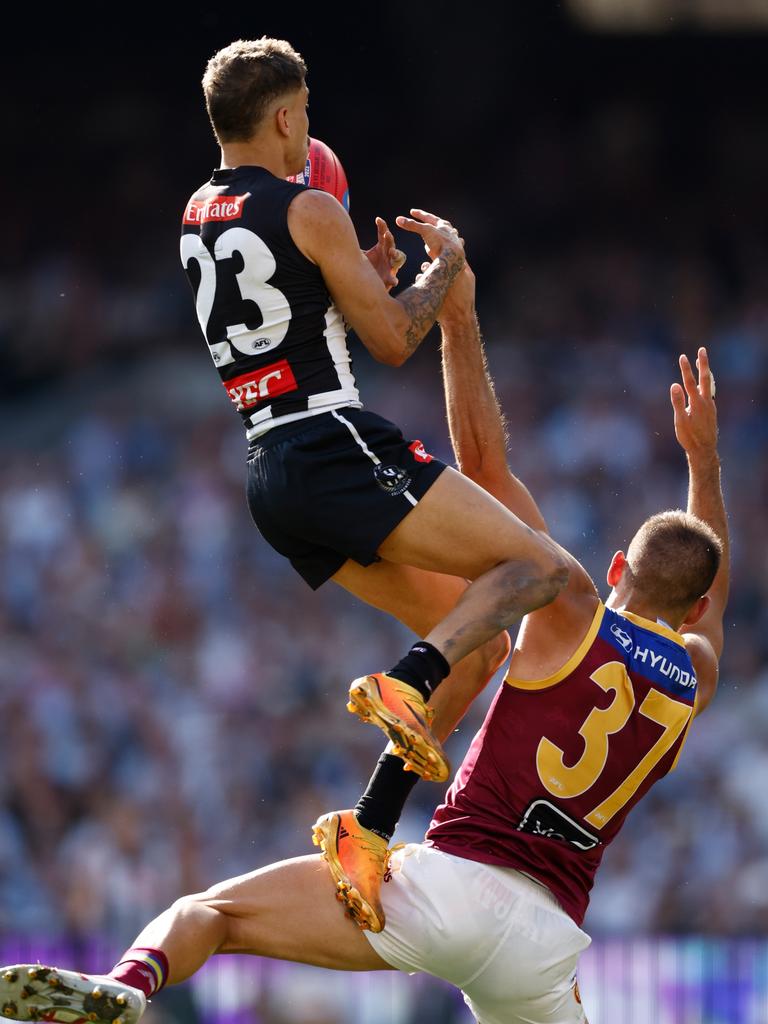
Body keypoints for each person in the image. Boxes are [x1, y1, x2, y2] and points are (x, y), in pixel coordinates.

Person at [0, 265, 728, 1024]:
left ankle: (130, 983)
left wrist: (457, 318)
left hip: (447, 889)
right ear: (698, 606)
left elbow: (484, 468)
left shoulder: (570, 602)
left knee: (212, 913)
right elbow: (714, 606)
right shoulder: (693, 675)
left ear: (618, 568)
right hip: (544, 944)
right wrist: (706, 465)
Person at [179, 36, 567, 802]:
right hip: (329, 438)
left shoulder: (195, 214)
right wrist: (443, 272)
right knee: (538, 568)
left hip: (270, 471)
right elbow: (392, 341)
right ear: (287, 118)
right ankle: (407, 680)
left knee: (477, 639)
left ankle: (370, 822)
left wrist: (357, 281)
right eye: (308, 112)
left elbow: (282, 314)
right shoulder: (310, 206)